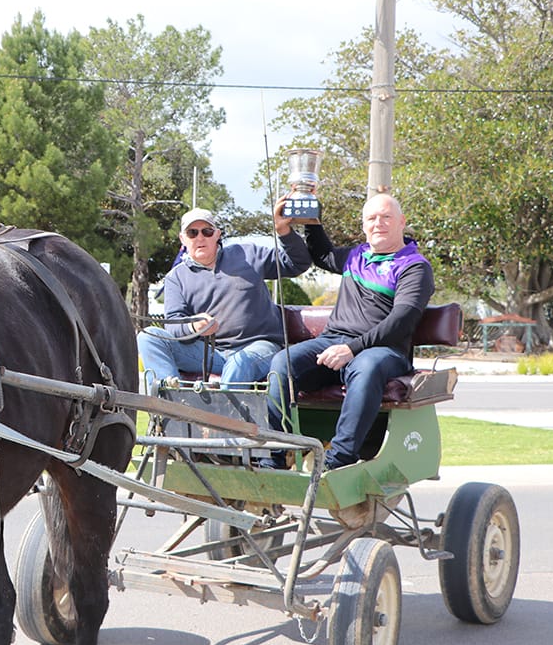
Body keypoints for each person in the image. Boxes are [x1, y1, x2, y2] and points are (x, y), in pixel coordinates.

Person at [261, 193, 434, 470]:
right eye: (372, 218)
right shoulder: (356, 256)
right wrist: (307, 221)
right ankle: (274, 457)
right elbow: (323, 255)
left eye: (386, 217)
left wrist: (352, 348)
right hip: (333, 343)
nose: (379, 223)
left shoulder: (414, 266)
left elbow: (402, 320)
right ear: (364, 225)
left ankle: (337, 462)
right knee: (282, 364)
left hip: (384, 351)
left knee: (366, 367)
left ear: (401, 222)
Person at [138, 200, 312, 388]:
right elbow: (174, 325)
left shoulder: (248, 254)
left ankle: (220, 416)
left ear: (217, 235)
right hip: (211, 353)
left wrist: (283, 230)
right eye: (192, 233)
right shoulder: (176, 277)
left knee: (239, 362)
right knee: (148, 336)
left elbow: (297, 263)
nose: (200, 237)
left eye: (207, 231)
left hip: (260, 347)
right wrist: (195, 327)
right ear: (182, 238)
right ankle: (169, 410)